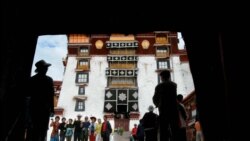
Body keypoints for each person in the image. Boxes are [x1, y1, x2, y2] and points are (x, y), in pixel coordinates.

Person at [28, 59, 55, 141]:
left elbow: (51, 95)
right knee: (39, 128)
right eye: (45, 68)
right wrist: (52, 108)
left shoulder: (32, 79)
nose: (46, 69)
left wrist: (52, 108)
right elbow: (51, 95)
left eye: (46, 68)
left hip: (35, 106)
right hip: (41, 107)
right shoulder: (48, 80)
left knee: (37, 128)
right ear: (40, 69)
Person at [153, 70, 180, 141]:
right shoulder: (174, 85)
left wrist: (157, 104)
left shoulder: (159, 86)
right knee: (175, 130)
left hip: (163, 111)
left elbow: (155, 98)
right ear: (169, 76)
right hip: (174, 110)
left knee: (163, 130)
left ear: (162, 77)